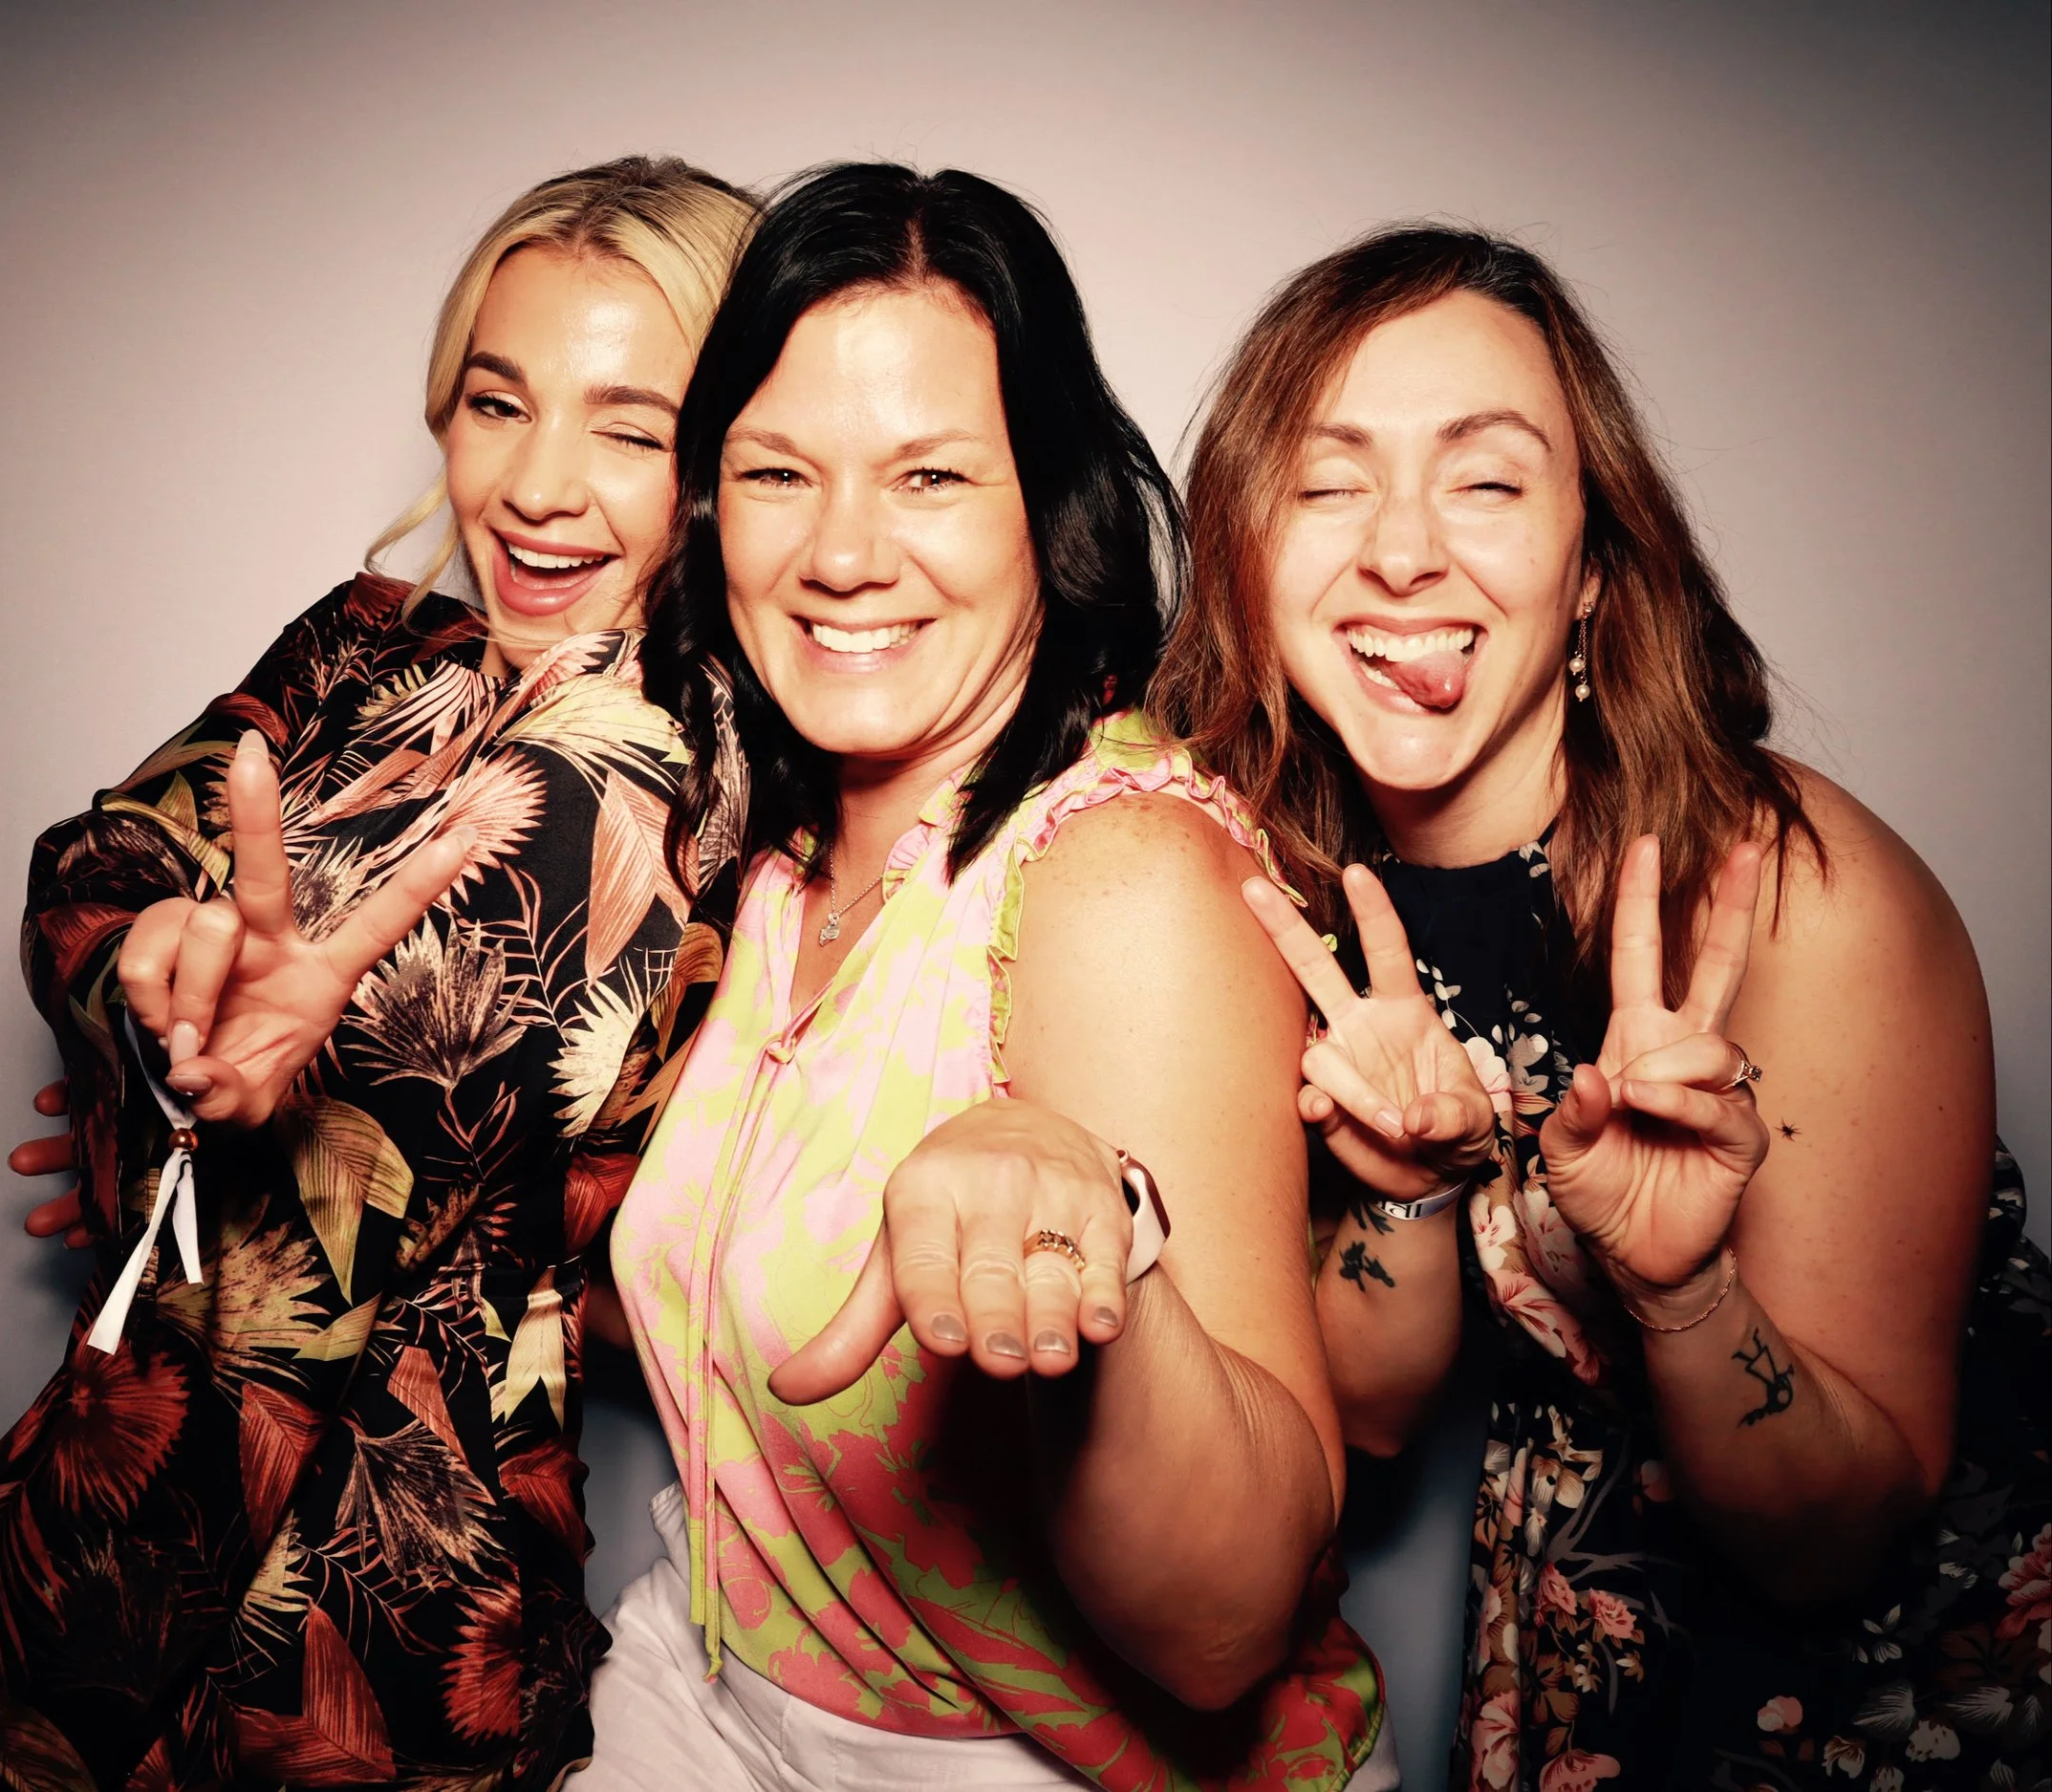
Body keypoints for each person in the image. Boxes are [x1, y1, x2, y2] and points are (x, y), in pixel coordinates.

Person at [0, 156, 758, 1792]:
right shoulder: (372, 643)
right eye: (495, 399)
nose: (537, 486)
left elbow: (267, 1308)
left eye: (631, 426)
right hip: (175, 1536)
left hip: (352, 1647)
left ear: (738, 458)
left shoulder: (636, 766)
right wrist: (152, 1007)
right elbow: (88, 865)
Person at [1156, 226, 2050, 1789]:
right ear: (1242, 548)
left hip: (1913, 1697)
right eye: (1328, 479)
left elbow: (1838, 1537)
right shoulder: (1281, 887)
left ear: (1593, 571)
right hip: (1583, 1660)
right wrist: (1412, 1186)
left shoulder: (1795, 899)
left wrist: (1683, 1284)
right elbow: (1366, 1423)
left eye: (1486, 481)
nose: (1403, 551)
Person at [580, 162, 1390, 1791]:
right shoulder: (769, 848)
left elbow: (1231, 1623)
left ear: (1053, 500)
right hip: (714, 1682)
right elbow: (711, 1300)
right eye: (779, 472)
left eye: (932, 474)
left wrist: (1106, 1228)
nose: (844, 551)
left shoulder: (1120, 871)